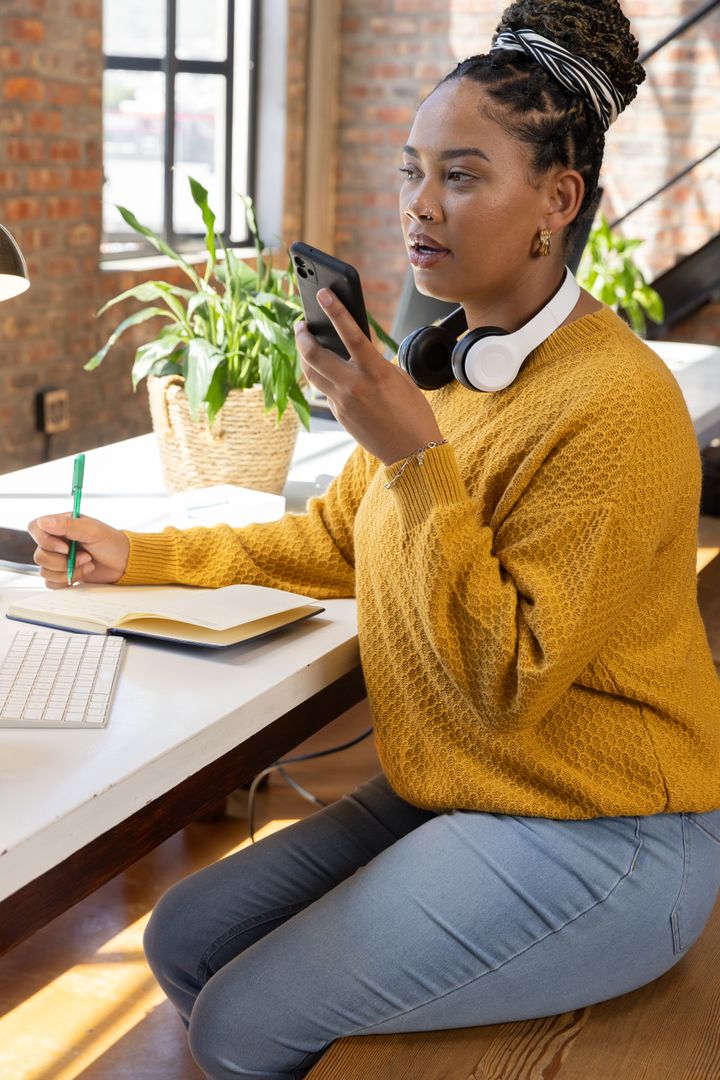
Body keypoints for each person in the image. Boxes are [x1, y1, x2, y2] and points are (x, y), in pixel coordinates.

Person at [29, 0, 720, 1076]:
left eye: (461, 176)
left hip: (606, 827)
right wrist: (142, 554)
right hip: (465, 783)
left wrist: (412, 457)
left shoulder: (616, 406)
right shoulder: (443, 367)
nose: (418, 207)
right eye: (411, 171)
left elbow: (505, 682)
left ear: (558, 199)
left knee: (239, 1022)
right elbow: (333, 541)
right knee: (185, 937)